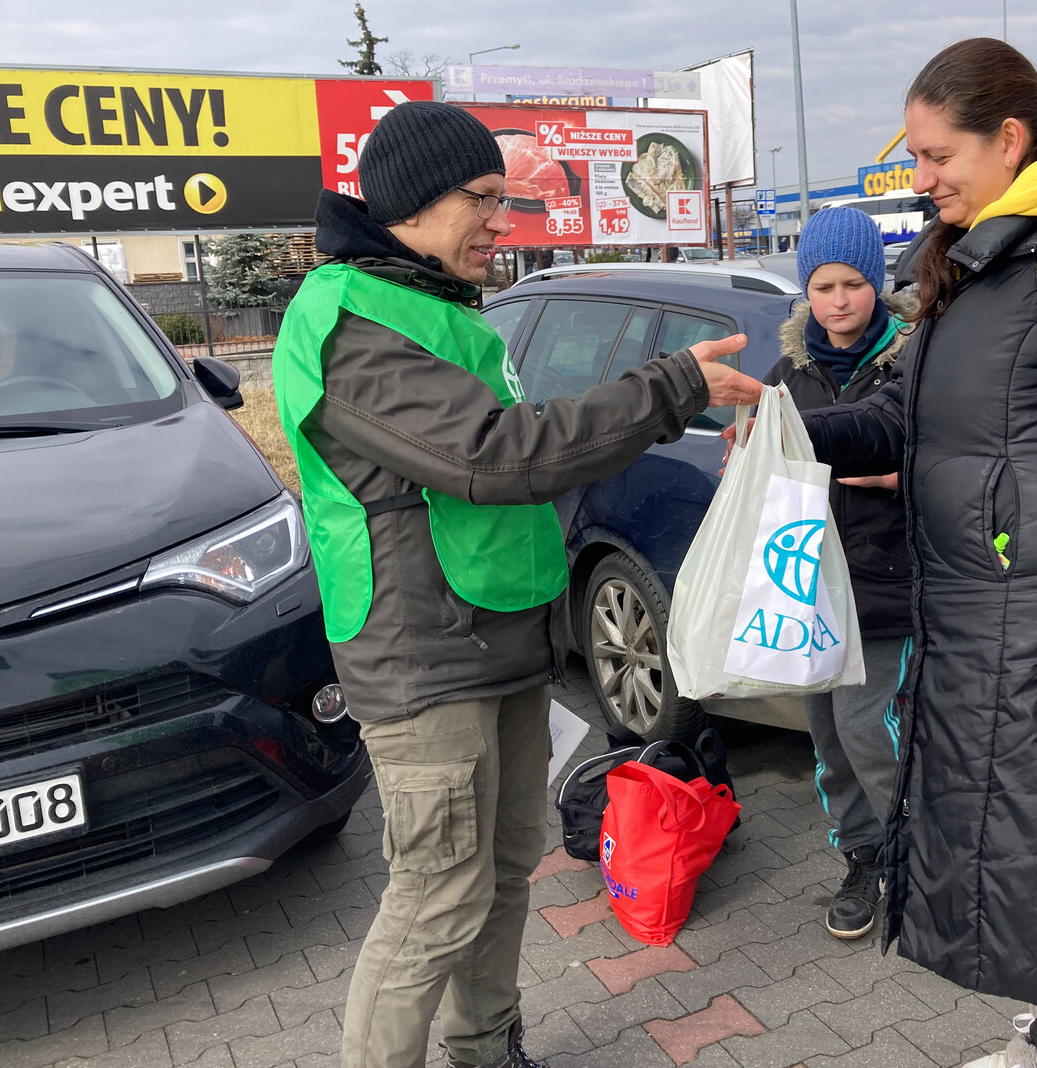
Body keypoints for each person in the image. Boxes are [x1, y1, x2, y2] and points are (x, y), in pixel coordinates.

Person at [272, 101, 761, 1068]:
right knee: (434, 900)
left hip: (500, 641)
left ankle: (487, 1045)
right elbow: (496, 458)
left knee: (497, 878)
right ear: (413, 201)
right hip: (425, 661)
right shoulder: (345, 322)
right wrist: (668, 391)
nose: (502, 223)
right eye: (482, 200)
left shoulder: (433, 303)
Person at [794, 39, 1037, 1068]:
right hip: (978, 621)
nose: (919, 180)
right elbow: (905, 418)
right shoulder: (976, 262)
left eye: (934, 155)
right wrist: (793, 429)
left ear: (1008, 139)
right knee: (1022, 858)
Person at [763, 206, 917, 940]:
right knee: (829, 740)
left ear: (877, 285)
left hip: (890, 587)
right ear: (806, 292)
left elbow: (967, 462)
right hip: (811, 592)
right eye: (823, 286)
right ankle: (862, 858)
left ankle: (913, 858)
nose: (840, 300)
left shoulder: (915, 360)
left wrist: (897, 481)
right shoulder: (787, 373)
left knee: (872, 732)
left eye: (854, 282)